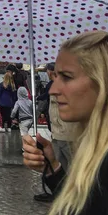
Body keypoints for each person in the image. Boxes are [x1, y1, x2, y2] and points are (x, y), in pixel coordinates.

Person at [23, 31, 108, 215]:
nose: (53, 90)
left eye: (67, 77)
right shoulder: (106, 146)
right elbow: (88, 205)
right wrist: (53, 167)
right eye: (55, 78)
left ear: (106, 82)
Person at [33, 63, 79, 203]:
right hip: (57, 132)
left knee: (70, 165)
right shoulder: (55, 85)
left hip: (65, 133)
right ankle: (61, 193)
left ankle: (74, 194)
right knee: (58, 164)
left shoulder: (63, 87)